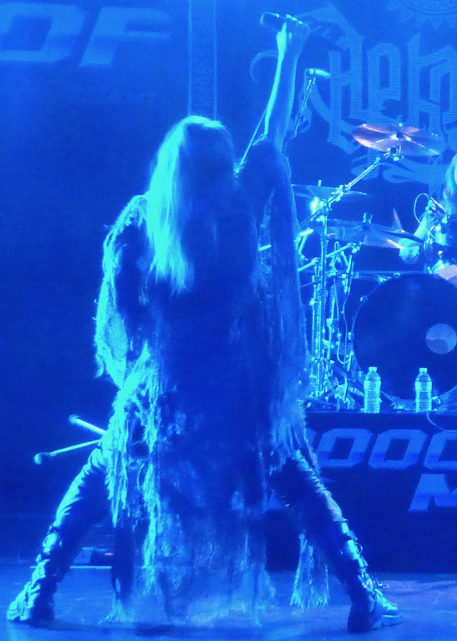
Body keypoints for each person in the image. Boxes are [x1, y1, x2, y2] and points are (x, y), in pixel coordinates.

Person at [8, 15, 399, 634]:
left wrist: (146, 357)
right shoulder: (238, 209)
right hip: (235, 392)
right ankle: (363, 597)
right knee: (296, 478)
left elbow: (125, 312)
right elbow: (269, 141)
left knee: (101, 476)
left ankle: (37, 593)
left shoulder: (142, 220)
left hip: (161, 389)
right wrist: (288, 56)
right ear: (221, 165)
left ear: (170, 167)